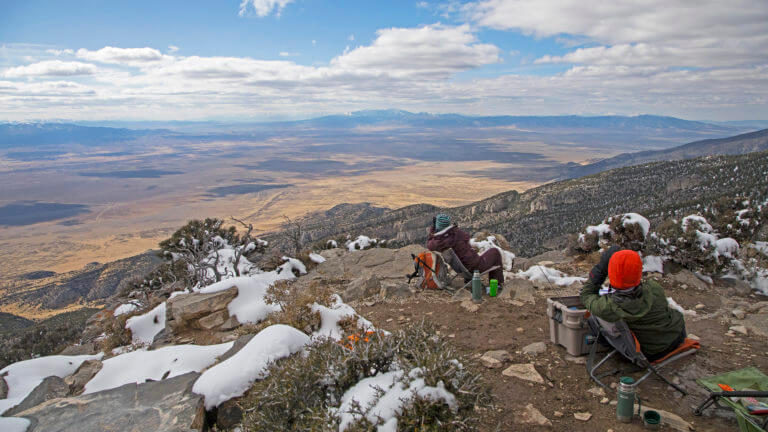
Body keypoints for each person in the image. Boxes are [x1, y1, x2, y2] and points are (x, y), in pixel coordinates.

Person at [580, 246, 686, 361]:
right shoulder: (654, 289)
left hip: (650, 353)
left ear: (612, 274)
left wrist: (601, 269)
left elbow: (586, 295)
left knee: (594, 320)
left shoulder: (608, 307)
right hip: (677, 336)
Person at [426, 213, 504, 287]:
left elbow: (429, 243)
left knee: (471, 255)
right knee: (495, 252)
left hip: (462, 269)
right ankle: (498, 284)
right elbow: (467, 236)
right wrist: (453, 228)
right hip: (475, 267)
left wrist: (433, 229)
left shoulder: (438, 242)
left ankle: (469, 279)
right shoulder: (455, 235)